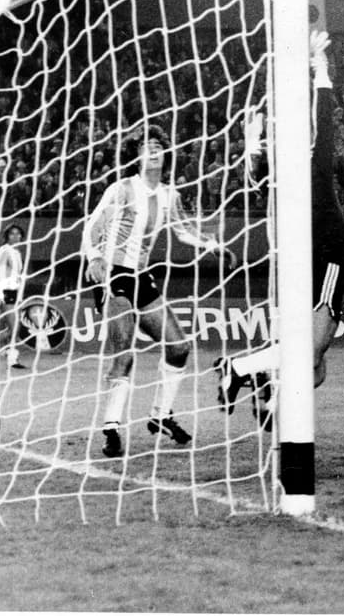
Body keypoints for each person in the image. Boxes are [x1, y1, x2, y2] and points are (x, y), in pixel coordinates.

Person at [214, 30, 344, 430]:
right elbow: (323, 114)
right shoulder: (301, 162)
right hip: (322, 254)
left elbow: (255, 180)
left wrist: (252, 143)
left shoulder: (296, 164)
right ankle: (239, 367)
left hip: (303, 255)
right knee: (309, 358)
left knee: (316, 368)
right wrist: (318, 66)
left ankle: (266, 391)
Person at [83, 124, 233, 458]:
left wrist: (213, 246)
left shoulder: (169, 195)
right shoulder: (121, 189)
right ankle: (111, 429)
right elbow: (93, 226)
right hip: (113, 275)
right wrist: (94, 258)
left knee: (179, 347)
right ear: (136, 156)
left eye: (158, 145)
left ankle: (161, 416)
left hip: (142, 277)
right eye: (146, 146)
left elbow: (183, 232)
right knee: (125, 353)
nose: (154, 151)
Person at [0, 224, 26, 369]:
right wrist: (0, 294)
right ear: (6, 236)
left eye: (18, 233)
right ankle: (12, 359)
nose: (15, 236)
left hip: (16, 292)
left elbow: (17, 274)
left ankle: (5, 350)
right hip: (6, 292)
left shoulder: (17, 253)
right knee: (14, 327)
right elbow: (0, 272)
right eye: (12, 234)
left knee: (14, 327)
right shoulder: (4, 251)